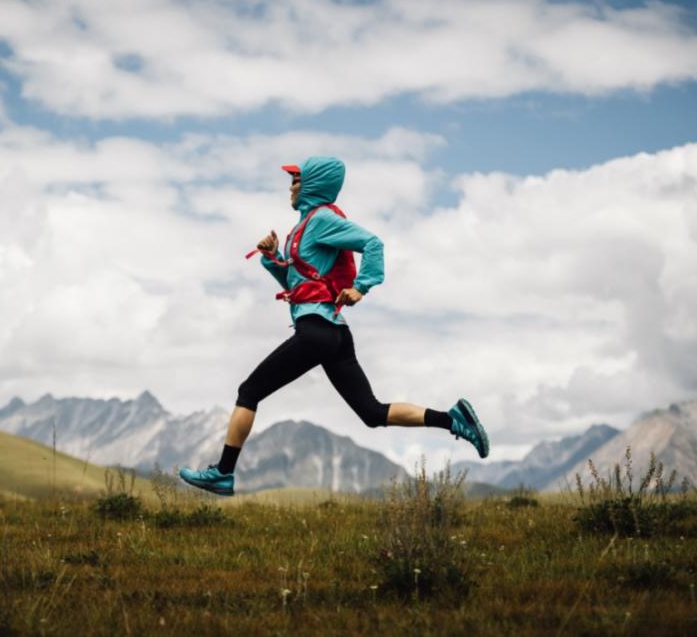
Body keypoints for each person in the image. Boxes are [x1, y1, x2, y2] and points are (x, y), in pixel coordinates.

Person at [179, 156, 489, 496]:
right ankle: (454, 419)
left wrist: (361, 287)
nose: (290, 187)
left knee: (249, 392)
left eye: (296, 180)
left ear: (311, 184)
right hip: (333, 333)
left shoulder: (322, 219)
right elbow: (298, 282)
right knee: (372, 413)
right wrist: (272, 258)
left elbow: (373, 243)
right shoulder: (304, 226)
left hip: (317, 330)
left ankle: (223, 472)